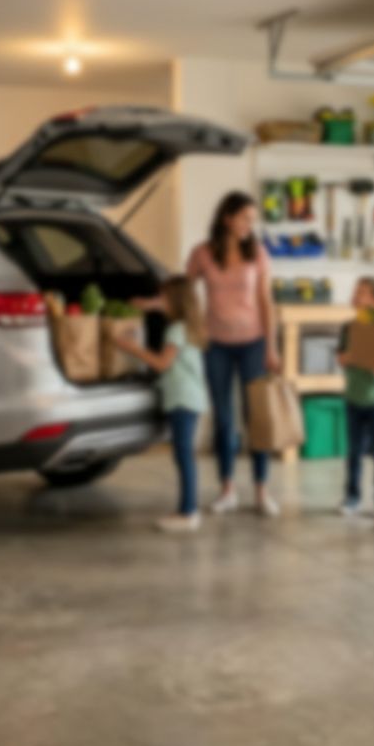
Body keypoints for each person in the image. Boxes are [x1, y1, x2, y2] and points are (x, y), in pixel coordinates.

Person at [186, 190, 281, 518]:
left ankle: (261, 490)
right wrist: (193, 327)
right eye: (245, 218)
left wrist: (272, 345)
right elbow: (185, 293)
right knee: (224, 420)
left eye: (253, 219)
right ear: (227, 217)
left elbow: (267, 301)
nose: (249, 224)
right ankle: (227, 489)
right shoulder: (202, 253)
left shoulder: (257, 252)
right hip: (216, 345)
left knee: (256, 418)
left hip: (254, 342)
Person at [115, 276, 208, 533]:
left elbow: (161, 364)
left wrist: (131, 347)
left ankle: (188, 512)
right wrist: (147, 304)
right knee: (184, 456)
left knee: (184, 456)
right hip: (190, 399)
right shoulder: (188, 326)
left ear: (175, 301)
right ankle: (187, 509)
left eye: (163, 297)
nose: (159, 300)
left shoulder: (175, 330)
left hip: (182, 400)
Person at [338, 276, 374, 520]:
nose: (355, 296)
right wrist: (353, 356)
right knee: (354, 451)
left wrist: (372, 362)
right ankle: (352, 496)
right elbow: (341, 358)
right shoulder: (349, 327)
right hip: (353, 397)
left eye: (361, 292)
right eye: (355, 291)